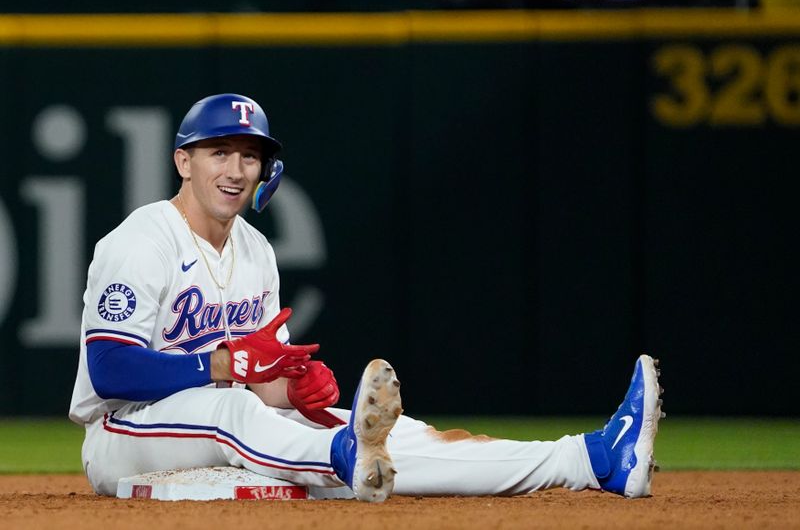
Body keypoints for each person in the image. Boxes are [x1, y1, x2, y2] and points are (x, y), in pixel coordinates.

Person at [69, 93, 664, 502]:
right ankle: (343, 455)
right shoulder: (139, 241)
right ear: (183, 161)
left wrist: (296, 386)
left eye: (249, 156)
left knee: (385, 434)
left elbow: (261, 381)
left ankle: (590, 459)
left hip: (222, 419)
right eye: (218, 152)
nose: (236, 168)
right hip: (125, 433)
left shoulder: (255, 251)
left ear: (264, 170)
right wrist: (226, 366)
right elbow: (110, 368)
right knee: (235, 411)